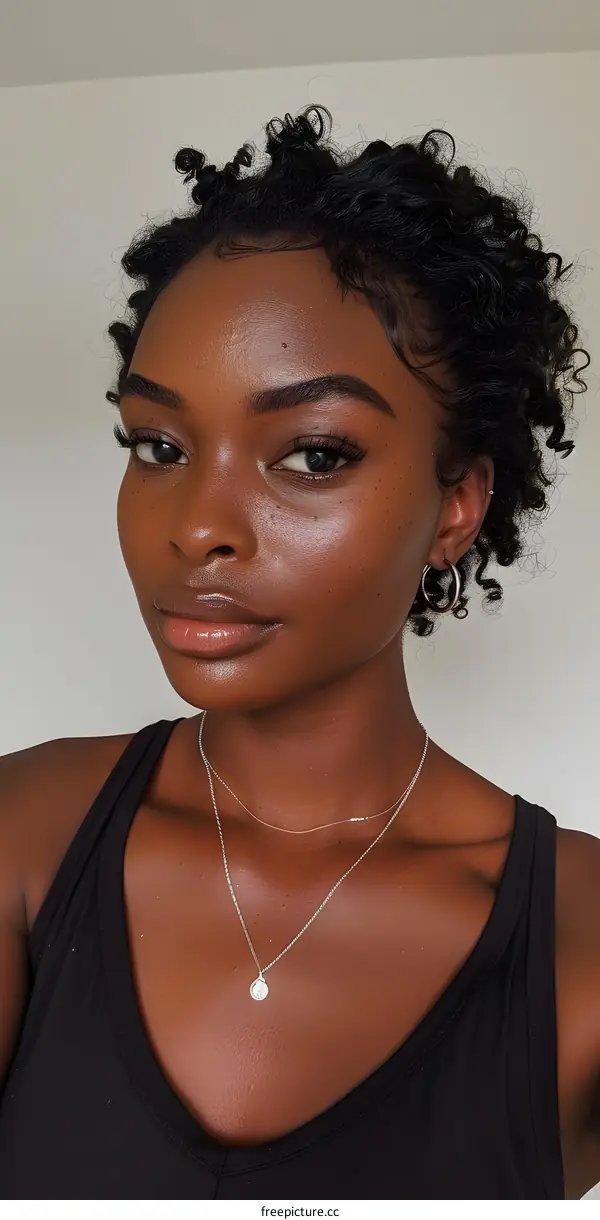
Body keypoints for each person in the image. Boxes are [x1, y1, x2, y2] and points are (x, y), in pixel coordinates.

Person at [0, 106, 596, 1202]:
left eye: (313, 453)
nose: (197, 525)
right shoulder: (27, 837)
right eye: (159, 445)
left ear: (457, 504)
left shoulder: (584, 939)